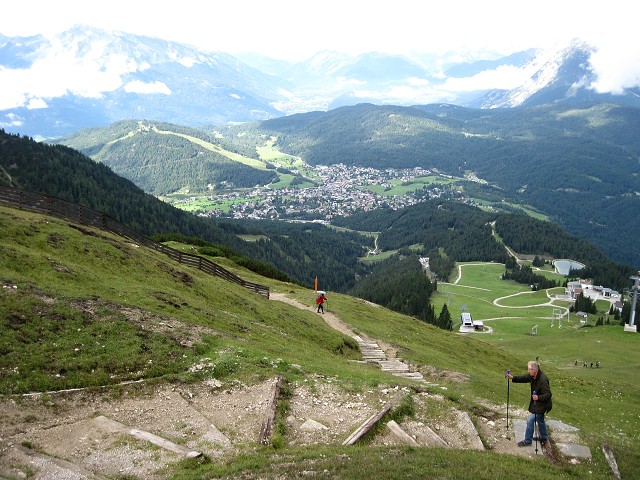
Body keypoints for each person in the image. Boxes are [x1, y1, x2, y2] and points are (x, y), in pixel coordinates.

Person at [507, 360, 552, 447]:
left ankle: (528, 440)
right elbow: (524, 378)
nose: (528, 371)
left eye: (529, 370)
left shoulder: (543, 380)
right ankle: (544, 437)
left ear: (535, 370)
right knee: (540, 420)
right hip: (538, 402)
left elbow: (548, 394)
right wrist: (513, 378)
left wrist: (538, 397)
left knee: (530, 420)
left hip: (542, 404)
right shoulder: (533, 375)